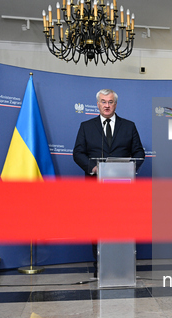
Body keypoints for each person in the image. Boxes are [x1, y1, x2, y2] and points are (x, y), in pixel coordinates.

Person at [73, 89, 145, 277]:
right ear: (97, 104)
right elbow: (78, 153)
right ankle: (101, 266)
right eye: (103, 102)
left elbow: (139, 153)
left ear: (115, 104)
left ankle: (122, 266)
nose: (106, 105)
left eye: (110, 102)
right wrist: (94, 168)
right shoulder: (86, 126)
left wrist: (128, 169)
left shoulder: (129, 126)